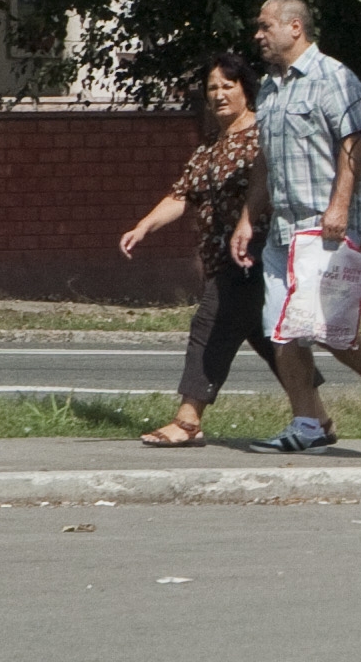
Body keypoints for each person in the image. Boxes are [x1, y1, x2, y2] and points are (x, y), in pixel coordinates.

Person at [243, 0, 361, 452]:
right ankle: (308, 426)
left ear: (294, 27)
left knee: (325, 325)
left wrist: (339, 206)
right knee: (283, 328)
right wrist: (246, 217)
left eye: (265, 26)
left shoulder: (333, 77)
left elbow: (354, 144)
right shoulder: (269, 86)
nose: (258, 35)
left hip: (325, 226)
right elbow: (264, 160)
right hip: (283, 228)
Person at [117, 51, 277, 447]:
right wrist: (143, 226)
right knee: (271, 340)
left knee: (209, 325)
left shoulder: (261, 135)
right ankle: (316, 415)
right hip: (219, 255)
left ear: (246, 90)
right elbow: (182, 194)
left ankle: (188, 420)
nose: (220, 94)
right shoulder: (211, 145)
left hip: (250, 252)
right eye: (212, 88)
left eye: (228, 86)